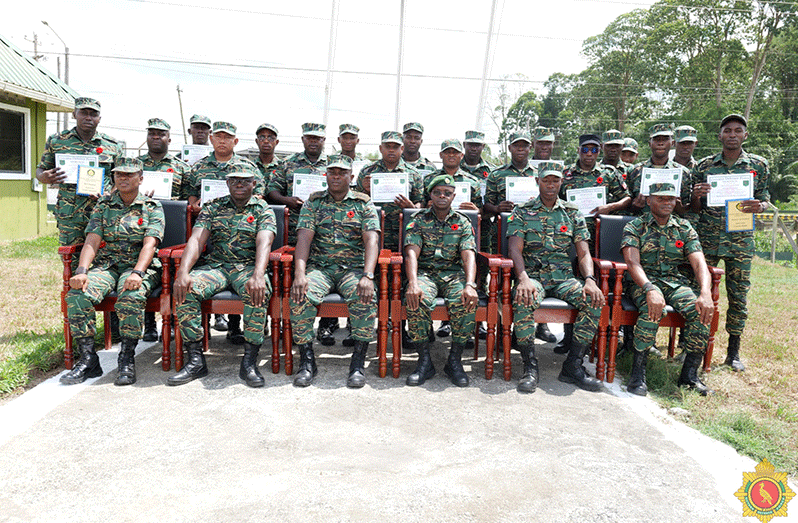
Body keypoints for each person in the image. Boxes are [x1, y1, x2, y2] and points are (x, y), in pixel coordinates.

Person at [169, 167, 277, 387]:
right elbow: (197, 240)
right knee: (185, 288)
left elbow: (263, 243)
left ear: (253, 184)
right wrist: (182, 272)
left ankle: (249, 362)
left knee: (257, 291)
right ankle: (196, 359)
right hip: (217, 267)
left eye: (245, 181)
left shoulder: (262, 209)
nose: (239, 184)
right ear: (227, 184)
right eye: (235, 180)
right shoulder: (214, 207)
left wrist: (258, 275)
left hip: (247, 267)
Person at [61, 158, 164, 386]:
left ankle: (126, 357)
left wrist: (137, 273)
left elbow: (150, 244)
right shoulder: (103, 206)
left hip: (138, 266)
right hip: (107, 265)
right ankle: (89, 360)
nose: (124, 178)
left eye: (129, 174)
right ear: (114, 178)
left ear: (141, 178)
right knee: (77, 295)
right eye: (119, 174)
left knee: (130, 297)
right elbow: (92, 239)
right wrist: (81, 270)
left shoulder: (151, 207)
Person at [507, 162, 605, 393]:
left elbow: (583, 252)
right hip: (533, 276)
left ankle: (573, 365)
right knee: (523, 299)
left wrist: (589, 279)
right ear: (537, 181)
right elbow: (515, 250)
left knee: (593, 299)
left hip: (563, 278)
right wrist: (523, 279)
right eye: (546, 180)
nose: (550, 185)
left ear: (561, 182)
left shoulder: (571, 212)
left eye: (555, 181)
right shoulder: (522, 211)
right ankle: (530, 367)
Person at [36, 97, 124, 342]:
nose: (88, 118)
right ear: (75, 114)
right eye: (84, 113)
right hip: (70, 215)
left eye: (93, 114)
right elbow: (40, 170)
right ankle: (80, 327)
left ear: (99, 118)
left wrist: (109, 193)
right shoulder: (58, 141)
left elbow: (122, 179)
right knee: (75, 266)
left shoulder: (112, 145)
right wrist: (46, 177)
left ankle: (114, 320)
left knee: (109, 264)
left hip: (104, 214)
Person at [289, 155, 380, 389]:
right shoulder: (314, 202)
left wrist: (368, 275)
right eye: (332, 172)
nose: (336, 176)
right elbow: (304, 239)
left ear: (351, 177)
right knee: (300, 295)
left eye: (342, 173)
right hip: (321, 268)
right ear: (326, 175)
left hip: (353, 268)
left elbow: (372, 240)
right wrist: (300, 274)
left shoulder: (363, 203)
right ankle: (307, 361)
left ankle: (358, 362)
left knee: (365, 297)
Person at [691, 114, 771, 372]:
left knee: (738, 298)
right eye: (728, 130)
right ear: (720, 136)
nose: (733, 135)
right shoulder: (704, 166)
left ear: (745, 135)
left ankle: (733, 353)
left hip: (740, 241)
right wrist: (697, 195)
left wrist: (761, 206)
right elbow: (693, 207)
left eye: (738, 130)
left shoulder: (758, 165)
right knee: (699, 294)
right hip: (708, 239)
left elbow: (765, 199)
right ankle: (692, 347)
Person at [621, 182, 715, 396]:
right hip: (642, 283)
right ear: (648, 200)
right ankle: (638, 374)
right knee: (653, 308)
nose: (666, 202)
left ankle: (689, 376)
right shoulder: (635, 226)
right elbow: (633, 263)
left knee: (700, 310)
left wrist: (705, 293)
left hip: (674, 281)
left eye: (670, 199)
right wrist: (649, 288)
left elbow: (699, 263)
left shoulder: (684, 227)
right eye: (661, 198)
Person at [183, 121, 261, 345]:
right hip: (211, 235)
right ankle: (196, 351)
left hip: (244, 234)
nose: (222, 141)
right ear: (211, 139)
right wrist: (194, 205)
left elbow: (260, 195)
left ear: (235, 141)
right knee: (190, 284)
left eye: (227, 137)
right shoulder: (199, 167)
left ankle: (238, 331)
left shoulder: (247, 166)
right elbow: (189, 194)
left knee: (250, 284)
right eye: (218, 136)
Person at [404, 174, 479, 387]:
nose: (442, 196)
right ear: (431, 195)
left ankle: (454, 360)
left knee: (465, 300)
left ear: (454, 196)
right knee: (416, 299)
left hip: (454, 275)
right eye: (437, 192)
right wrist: (413, 283)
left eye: (447, 193)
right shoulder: (418, 220)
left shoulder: (462, 222)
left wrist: (470, 284)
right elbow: (411, 254)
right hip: (426, 274)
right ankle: (424, 360)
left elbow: (468, 255)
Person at [137, 118, 192, 342]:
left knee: (170, 274)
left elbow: (189, 199)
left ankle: (170, 322)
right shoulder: (135, 165)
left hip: (172, 230)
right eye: (152, 133)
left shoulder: (181, 167)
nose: (156, 137)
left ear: (169, 138)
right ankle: (149, 323)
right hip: (141, 227)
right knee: (145, 269)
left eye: (161, 134)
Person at [267, 122, 328, 246]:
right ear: (302, 139)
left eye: (317, 138)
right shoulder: (287, 163)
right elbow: (272, 190)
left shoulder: (332, 165)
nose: (313, 141)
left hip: (325, 226)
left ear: (323, 140)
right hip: (294, 226)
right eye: (309, 138)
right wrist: (286, 200)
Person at [529, 126, 559, 344]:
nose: (544, 146)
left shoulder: (557, 169)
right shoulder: (521, 169)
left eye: (548, 143)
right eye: (541, 142)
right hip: (523, 230)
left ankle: (544, 325)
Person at [627, 124, 690, 217]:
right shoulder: (634, 171)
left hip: (672, 228)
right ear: (650, 144)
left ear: (672, 143)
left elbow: (688, 210)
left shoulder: (683, 172)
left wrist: (678, 207)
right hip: (642, 227)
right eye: (656, 139)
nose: (660, 143)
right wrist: (635, 206)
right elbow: (626, 207)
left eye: (665, 139)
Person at [254, 123, 284, 194]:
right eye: (262, 137)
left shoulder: (283, 167)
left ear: (276, 142)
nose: (266, 141)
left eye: (271, 138)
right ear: (256, 141)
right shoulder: (250, 167)